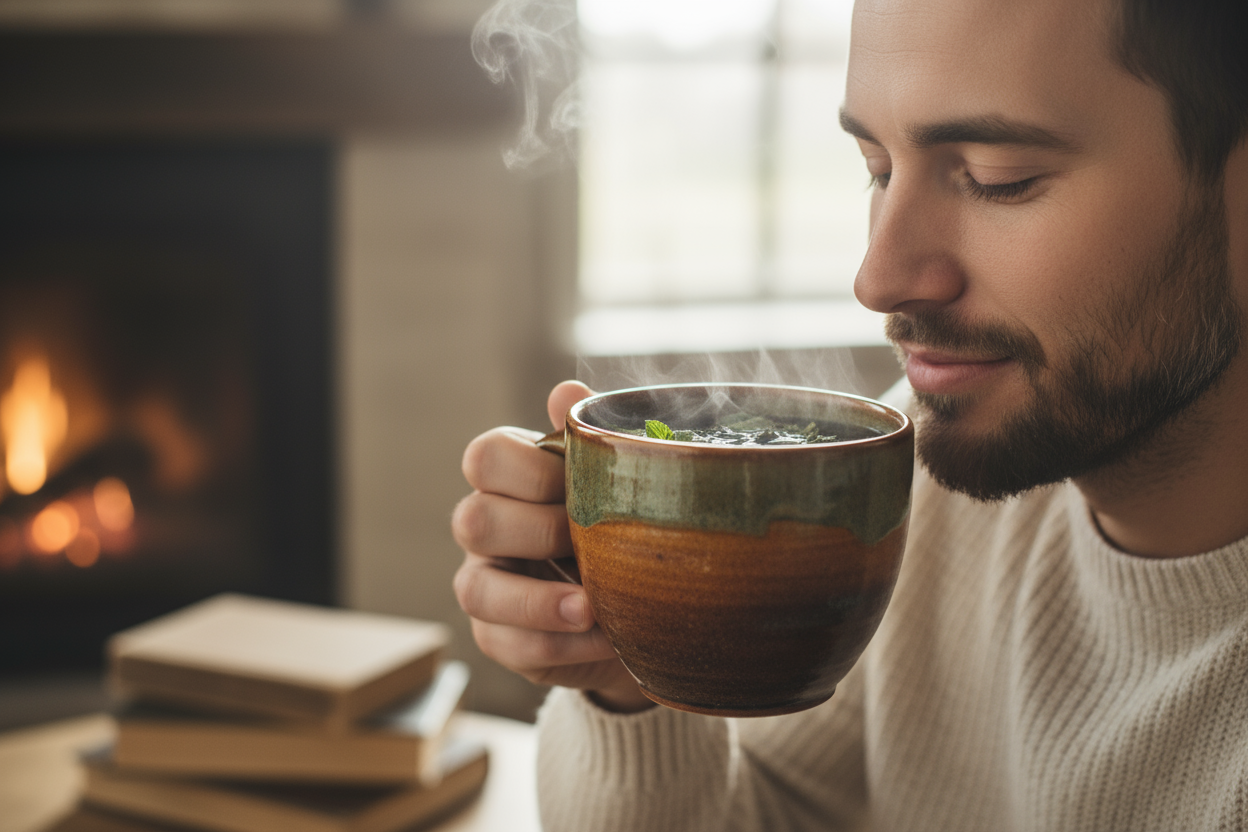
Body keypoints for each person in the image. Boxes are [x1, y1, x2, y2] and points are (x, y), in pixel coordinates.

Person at [452, 0, 1248, 827]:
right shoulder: (930, 477)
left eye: (998, 177)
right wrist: (635, 679)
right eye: (877, 168)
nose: (878, 277)